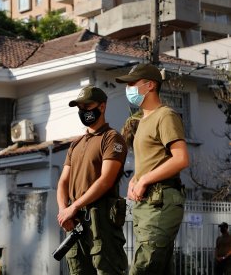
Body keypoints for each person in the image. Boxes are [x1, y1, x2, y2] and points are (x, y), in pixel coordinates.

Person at [115, 63, 190, 275]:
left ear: (150, 85)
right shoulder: (142, 120)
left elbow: (181, 158)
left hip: (161, 201)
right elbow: (151, 160)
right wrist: (135, 180)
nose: (128, 88)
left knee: (143, 267)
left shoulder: (165, 115)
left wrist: (145, 180)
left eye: (132, 83)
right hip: (146, 205)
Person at [56, 85, 128, 275]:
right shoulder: (76, 144)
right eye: (80, 107)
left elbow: (105, 180)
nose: (83, 111)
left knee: (108, 269)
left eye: (88, 106)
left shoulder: (112, 138)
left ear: (102, 106)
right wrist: (65, 211)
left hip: (101, 216)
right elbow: (63, 181)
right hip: (75, 220)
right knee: (78, 270)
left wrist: (73, 207)